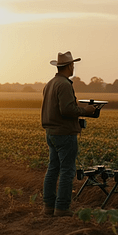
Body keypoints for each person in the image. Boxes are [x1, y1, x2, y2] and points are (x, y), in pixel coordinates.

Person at [41, 51, 95, 217]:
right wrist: (85, 111)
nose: (73, 67)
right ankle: (62, 208)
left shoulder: (50, 83)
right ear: (69, 66)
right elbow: (66, 110)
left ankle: (48, 206)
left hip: (51, 133)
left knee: (52, 169)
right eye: (72, 65)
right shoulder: (64, 84)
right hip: (64, 133)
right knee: (67, 171)